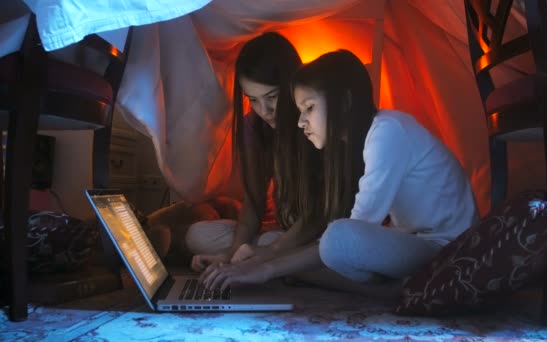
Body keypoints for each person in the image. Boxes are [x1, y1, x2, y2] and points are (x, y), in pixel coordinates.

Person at [200, 49, 479, 299]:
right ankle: (390, 286)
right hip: (412, 245)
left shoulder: (387, 131)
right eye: (299, 111)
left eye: (309, 108)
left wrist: (266, 267)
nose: (300, 122)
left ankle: (394, 289)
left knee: (338, 239)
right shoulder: (363, 141)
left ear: (343, 102)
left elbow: (355, 228)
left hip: (445, 250)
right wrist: (267, 259)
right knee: (285, 244)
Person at [187, 32, 324, 272]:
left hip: (317, 229)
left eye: (272, 97)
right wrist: (231, 254)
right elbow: (253, 201)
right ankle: (274, 259)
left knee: (279, 244)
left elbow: (319, 214)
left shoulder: (315, 122)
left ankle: (278, 260)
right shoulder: (253, 126)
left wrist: (267, 252)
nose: (265, 110)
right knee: (197, 234)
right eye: (253, 99)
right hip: (279, 231)